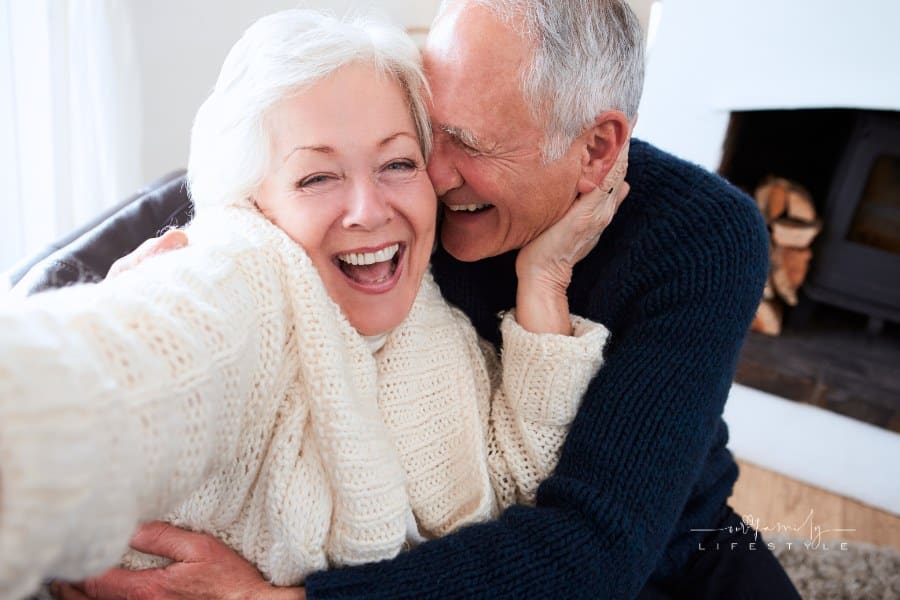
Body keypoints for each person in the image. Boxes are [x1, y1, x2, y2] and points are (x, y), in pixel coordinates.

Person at [47, 1, 800, 599]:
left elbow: (596, 550)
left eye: (466, 143)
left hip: (663, 538)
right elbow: (252, 180)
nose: (428, 178)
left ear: (597, 149)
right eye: (424, 135)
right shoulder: (386, 196)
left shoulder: (703, 238)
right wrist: (123, 286)